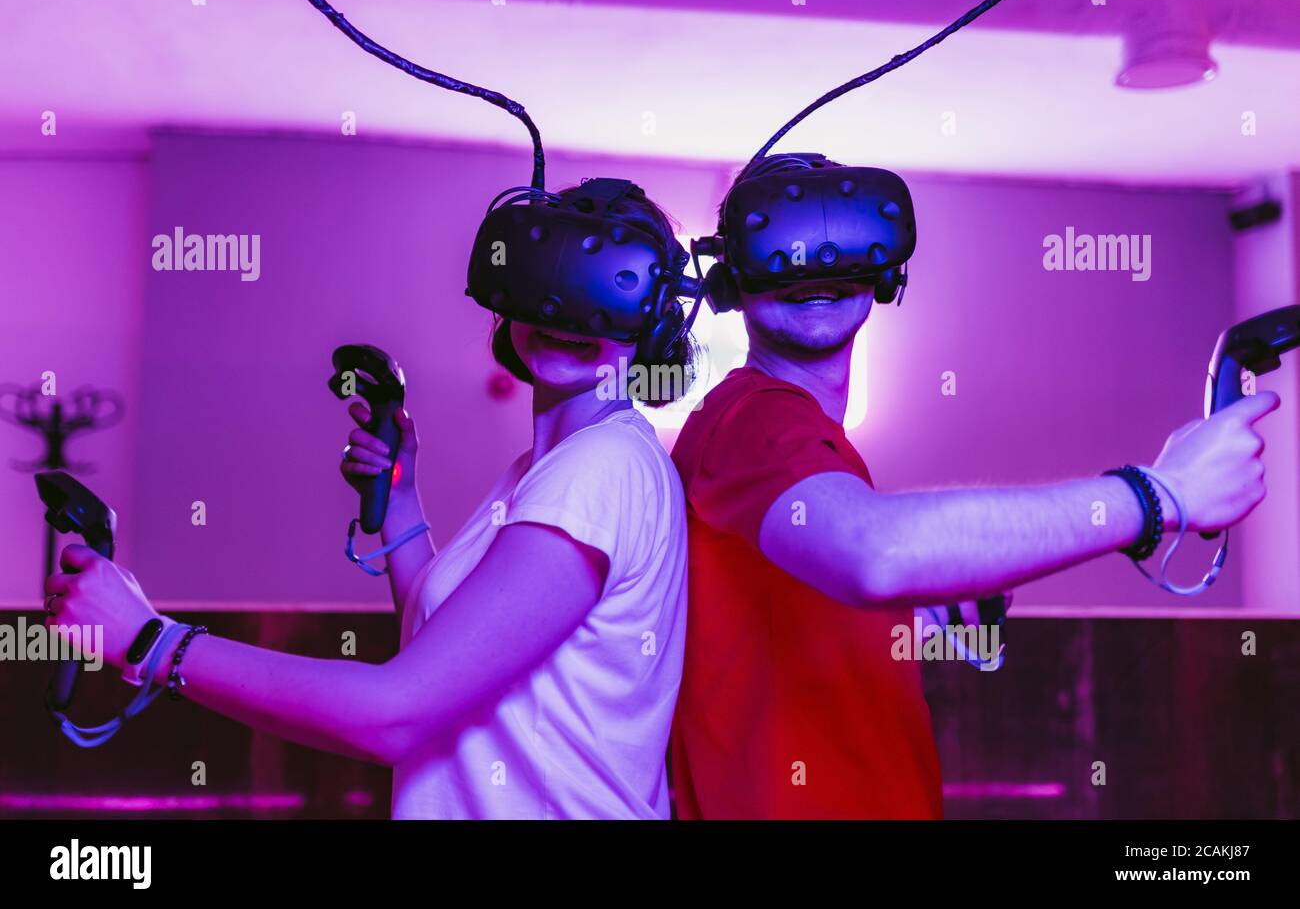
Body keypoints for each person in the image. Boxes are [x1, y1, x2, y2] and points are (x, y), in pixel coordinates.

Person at [45, 184, 695, 820]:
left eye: (605, 293)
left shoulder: (601, 468)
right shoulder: (554, 467)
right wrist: (402, 499)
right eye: (546, 283)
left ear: (657, 319)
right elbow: (443, 643)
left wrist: (150, 641)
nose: (562, 314)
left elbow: (395, 713)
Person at [669, 156, 1279, 819]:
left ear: (886, 264)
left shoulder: (808, 444)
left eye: (837, 240)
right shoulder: (753, 417)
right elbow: (879, 552)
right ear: (727, 278)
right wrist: (1159, 495)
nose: (813, 267)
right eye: (780, 248)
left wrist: (909, 618)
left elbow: (830, 593)